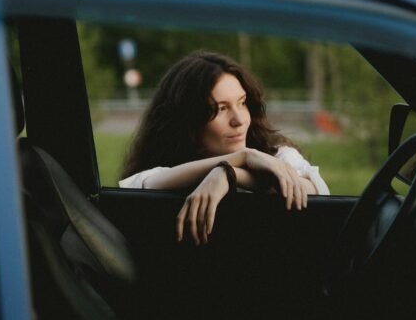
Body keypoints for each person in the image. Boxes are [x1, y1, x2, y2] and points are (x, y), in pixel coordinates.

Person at [119, 50, 329, 244]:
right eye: (221, 109)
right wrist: (242, 157)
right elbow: (144, 184)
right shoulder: (168, 170)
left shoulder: (277, 154)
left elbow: (318, 193)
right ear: (188, 121)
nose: (239, 120)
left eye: (242, 103)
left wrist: (229, 174)